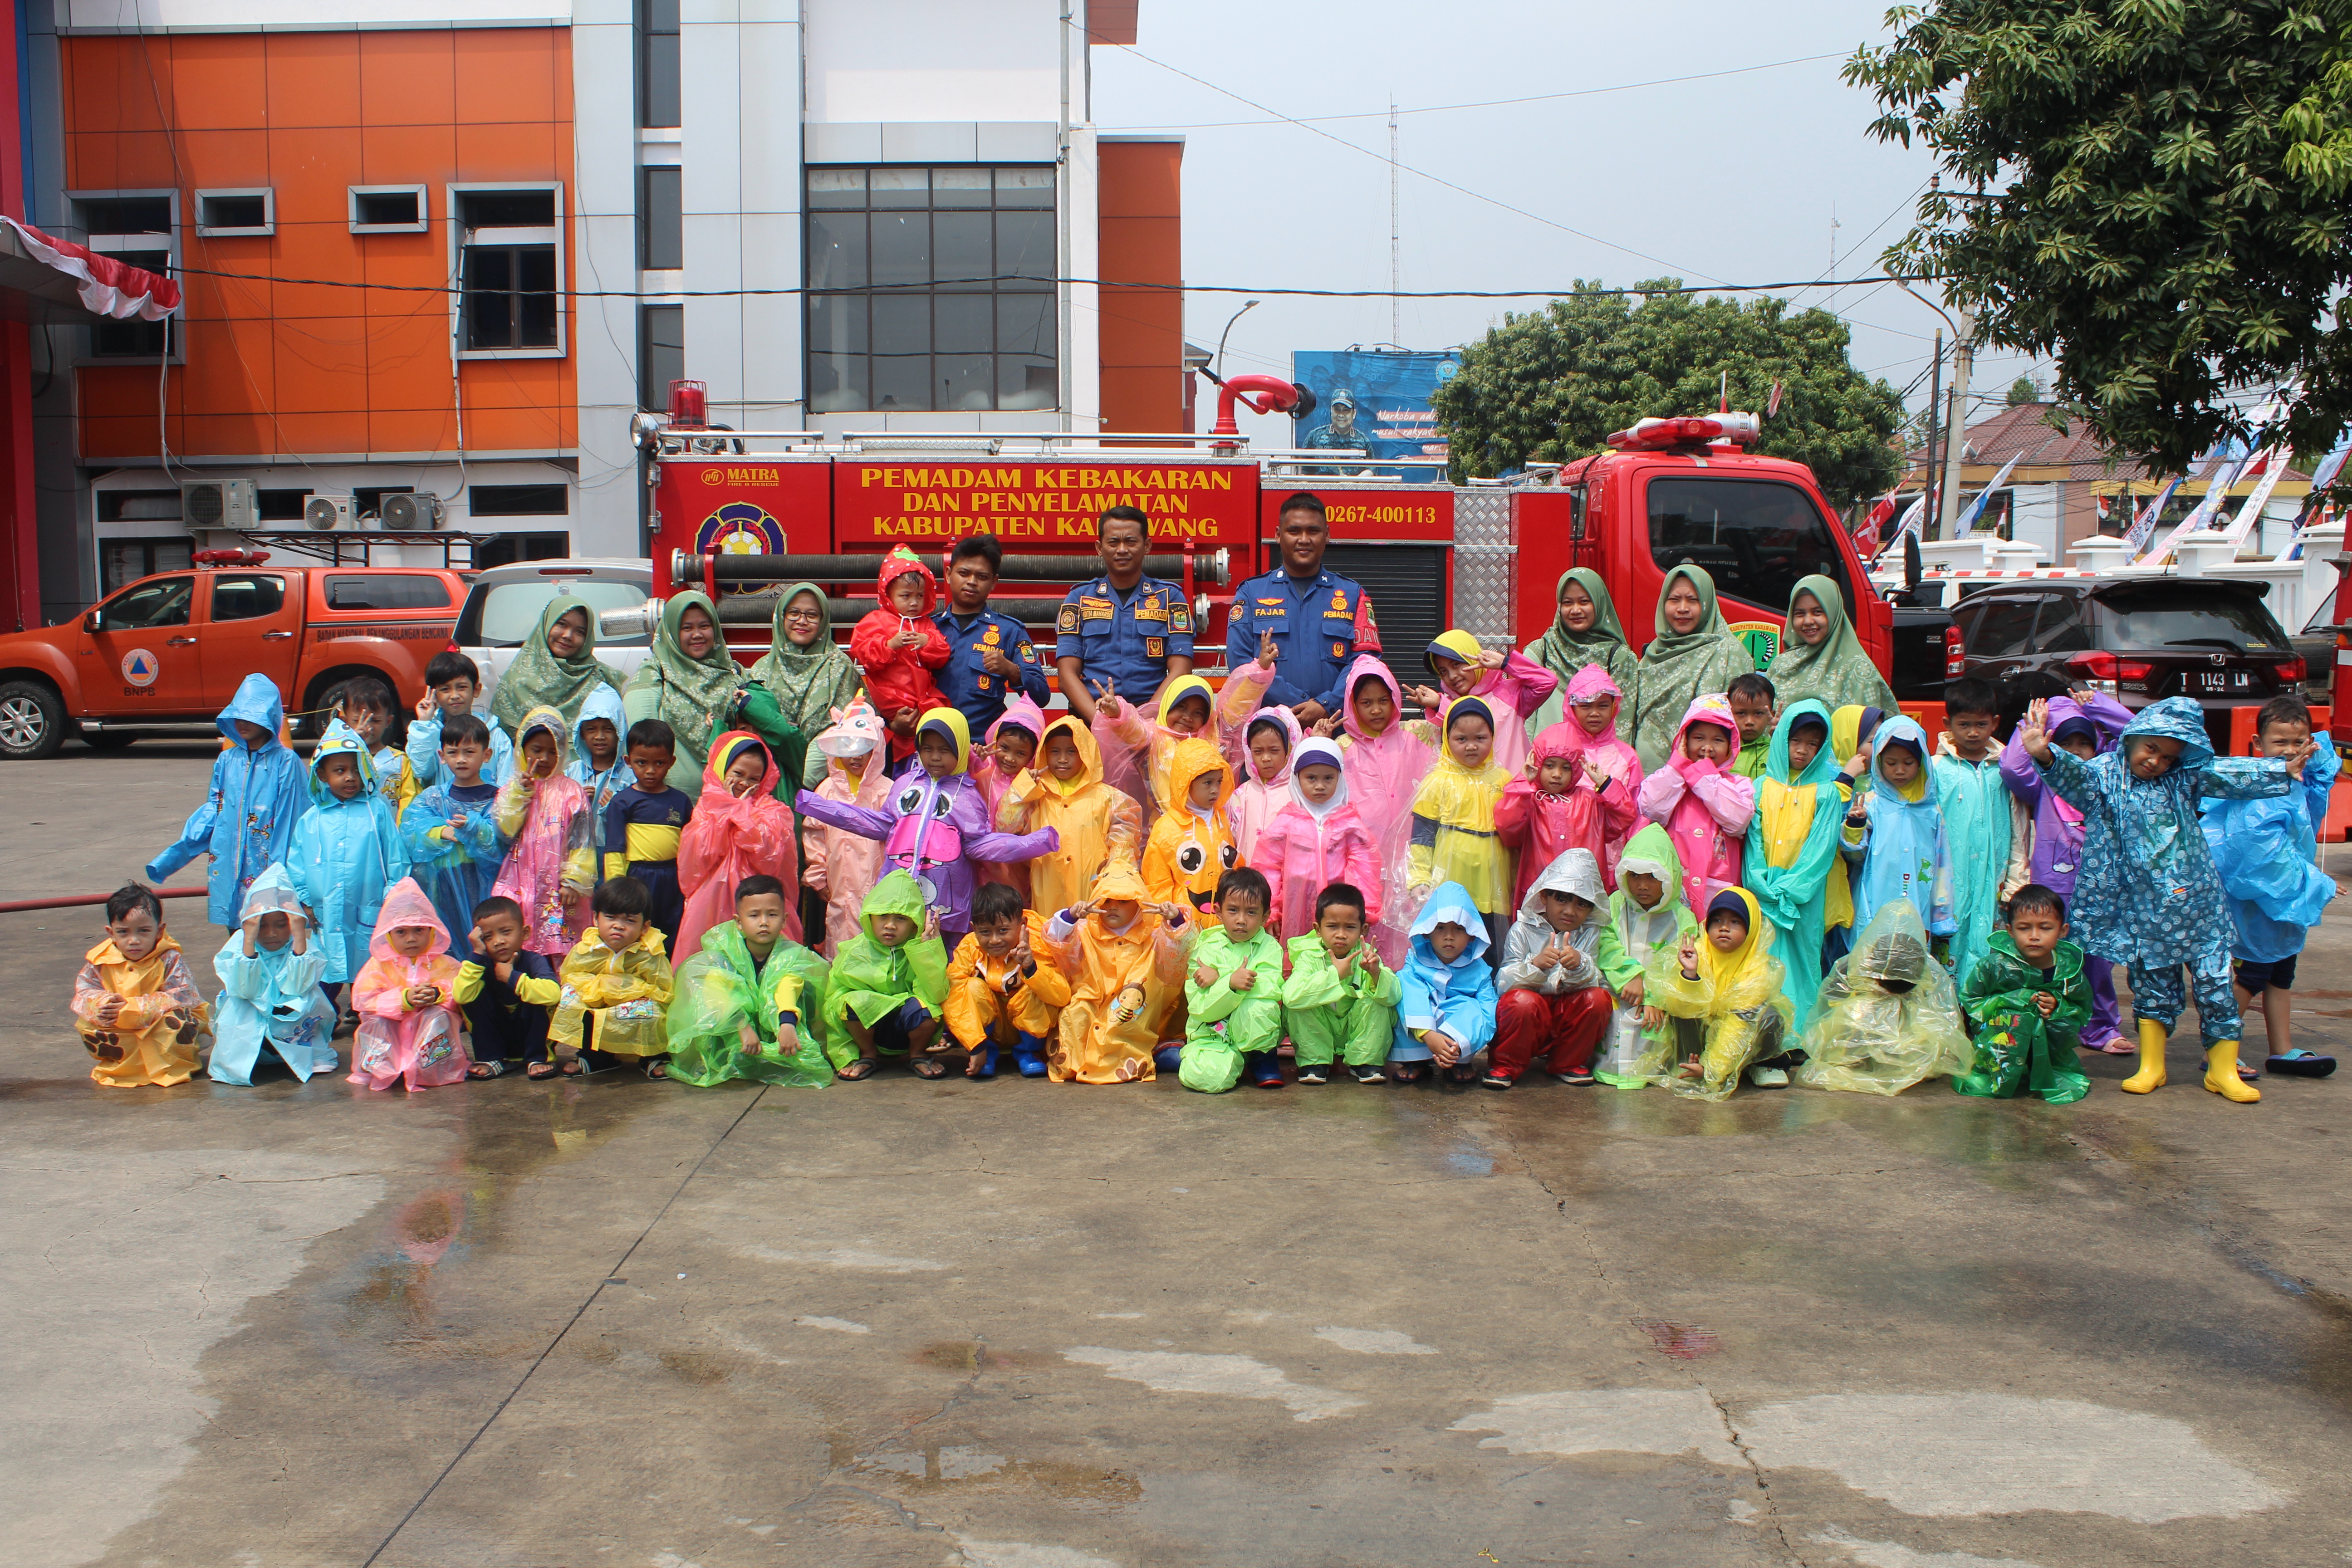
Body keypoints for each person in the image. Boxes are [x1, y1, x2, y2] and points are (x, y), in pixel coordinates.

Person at [2017, 695, 2295, 1103]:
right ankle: (2152, 1065)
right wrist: (2043, 753)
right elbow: (2074, 776)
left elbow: (2228, 773)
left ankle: (2221, 1070)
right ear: (2132, 738)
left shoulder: (2185, 777)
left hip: (2198, 905)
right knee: (2151, 985)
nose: (2156, 762)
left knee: (2216, 984)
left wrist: (2280, 769)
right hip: (2144, 910)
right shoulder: (2104, 776)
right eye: (2151, 749)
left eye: (2168, 757)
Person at [795, 707, 1059, 946]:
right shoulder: (905, 784)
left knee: (941, 963)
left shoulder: (967, 796)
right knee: (895, 958)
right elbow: (882, 824)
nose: (935, 757)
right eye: (928, 749)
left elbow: (980, 845)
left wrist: (1037, 842)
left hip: (946, 904)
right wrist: (817, 806)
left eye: (945, 750)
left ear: (961, 750)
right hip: (899, 897)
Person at [2203, 694, 2342, 1079]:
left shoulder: (2294, 783)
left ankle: (2282, 1050)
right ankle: (2218, 1049)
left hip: (2286, 899)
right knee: (2251, 974)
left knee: (2282, 972)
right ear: (2258, 743)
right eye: (2281, 742)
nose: (2291, 751)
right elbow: (2258, 858)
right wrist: (2313, 883)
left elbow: (2304, 825)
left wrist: (2317, 761)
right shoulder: (2259, 792)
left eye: (2300, 742)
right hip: (2258, 902)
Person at [2000, 690, 2134, 1052]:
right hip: (2054, 887)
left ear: (2098, 745)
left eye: (2083, 743)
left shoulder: (2109, 777)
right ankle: (2047, 1024)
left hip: (2101, 886)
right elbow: (2012, 767)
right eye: (2066, 743)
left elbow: (2138, 736)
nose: (2075, 751)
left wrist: (2097, 705)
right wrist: (2035, 726)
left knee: (2098, 963)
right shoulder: (2043, 782)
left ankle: (2101, 1028)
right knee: (2046, 956)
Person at [145, 672, 312, 930]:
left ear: (269, 716)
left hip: (268, 873)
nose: (242, 722)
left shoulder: (286, 763)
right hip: (229, 867)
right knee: (236, 935)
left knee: (270, 937)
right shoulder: (227, 760)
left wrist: (279, 878)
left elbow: (291, 824)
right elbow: (213, 811)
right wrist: (173, 857)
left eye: (251, 715)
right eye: (238, 715)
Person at [1223, 491, 1381, 730]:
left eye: (1313, 531)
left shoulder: (1352, 594)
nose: (1304, 539)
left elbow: (1366, 661)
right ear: (1278, 535)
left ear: (1327, 535)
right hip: (1271, 731)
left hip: (1337, 729)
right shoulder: (1250, 594)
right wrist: (1297, 704)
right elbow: (1240, 663)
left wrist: (1326, 704)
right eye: (1294, 531)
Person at [666, 874, 838, 1088]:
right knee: (710, 988)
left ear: (785, 920)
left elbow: (788, 987)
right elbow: (716, 994)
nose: (764, 922)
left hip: (780, 1025)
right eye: (754, 915)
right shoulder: (724, 955)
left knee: (803, 987)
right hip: (737, 1028)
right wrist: (741, 1026)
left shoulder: (791, 956)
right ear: (739, 922)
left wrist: (787, 1024)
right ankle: (730, 1056)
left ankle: (784, 1046)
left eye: (772, 914)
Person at [285, 717, 410, 1009]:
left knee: (370, 966)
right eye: (340, 771)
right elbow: (297, 865)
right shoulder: (312, 820)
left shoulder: (376, 812)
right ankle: (322, 1019)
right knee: (326, 969)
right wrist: (304, 900)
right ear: (322, 774)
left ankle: (368, 1014)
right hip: (325, 911)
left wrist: (392, 896)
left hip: (370, 905)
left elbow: (395, 858)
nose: (350, 778)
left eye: (356, 770)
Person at [1795, 898, 1975, 1097]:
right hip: (1884, 1036)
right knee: (1859, 1013)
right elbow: (1946, 1013)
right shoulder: (1857, 970)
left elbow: (1827, 1004)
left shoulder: (1859, 966)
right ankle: (1881, 1060)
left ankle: (1867, 1059)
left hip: (1896, 1036)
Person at [1039, 858, 1192, 1084]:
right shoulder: (1084, 931)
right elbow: (1057, 942)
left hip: (1133, 1011)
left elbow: (1178, 953)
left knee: (1125, 1021)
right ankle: (1076, 1062)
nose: (1112, 907)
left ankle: (1133, 1058)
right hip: (1090, 1003)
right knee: (1076, 1015)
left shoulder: (1153, 937)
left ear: (1139, 903)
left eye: (1123, 901)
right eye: (1107, 899)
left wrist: (1176, 919)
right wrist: (1070, 916)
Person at [1744, 701, 1847, 1023]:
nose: (1802, 750)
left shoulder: (1827, 793)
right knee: (1760, 957)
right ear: (1783, 739)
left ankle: (1798, 1033)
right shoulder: (1761, 787)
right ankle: (1759, 1031)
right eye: (1796, 741)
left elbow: (1821, 850)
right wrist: (1759, 882)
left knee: (1802, 959)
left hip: (1803, 896)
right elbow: (1753, 841)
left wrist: (1791, 889)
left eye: (1813, 744)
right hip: (1764, 890)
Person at [1639, 888, 1791, 1102]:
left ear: (1751, 929)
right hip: (1703, 1034)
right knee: (1680, 1004)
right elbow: (1682, 1008)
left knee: (1769, 1017)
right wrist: (1690, 975)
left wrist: (1712, 1070)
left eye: (1735, 922)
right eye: (1717, 920)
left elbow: (1738, 1025)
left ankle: (1762, 1064)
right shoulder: (1696, 954)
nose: (1724, 928)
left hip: (1738, 1037)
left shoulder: (1759, 969)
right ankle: (1690, 1062)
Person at [1338, 656, 1439, 965]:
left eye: (1384, 700)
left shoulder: (1417, 734)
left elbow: (1462, 729)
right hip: (1364, 860)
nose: (1377, 710)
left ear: (1395, 698)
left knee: (1413, 924)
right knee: (1372, 925)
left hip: (1414, 856)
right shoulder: (1343, 747)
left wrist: (1438, 705)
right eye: (1366, 703)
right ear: (1353, 705)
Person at [1055, 505, 1196, 726]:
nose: (1122, 550)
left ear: (1147, 546)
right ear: (1100, 548)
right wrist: (1102, 724)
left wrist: (1138, 725)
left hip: (1150, 721)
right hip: (1092, 718)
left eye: (1131, 542)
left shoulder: (1170, 598)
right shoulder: (1079, 598)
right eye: (1113, 542)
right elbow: (1066, 676)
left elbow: (1181, 670)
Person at [1489, 848, 1617, 1089]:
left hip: (1565, 1013)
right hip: (1530, 1015)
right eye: (1562, 900)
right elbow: (1504, 983)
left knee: (1599, 999)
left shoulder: (1589, 932)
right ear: (1544, 896)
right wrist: (1535, 966)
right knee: (1521, 1002)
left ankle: (1568, 1062)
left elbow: (1593, 981)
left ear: (1591, 909)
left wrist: (1579, 965)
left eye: (1581, 904)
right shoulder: (1523, 929)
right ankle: (1506, 1064)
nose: (1570, 911)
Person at [1951, 883, 2092, 1103]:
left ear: (2063, 931)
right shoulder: (1994, 966)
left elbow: (2082, 1008)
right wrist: (2009, 1001)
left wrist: (2057, 1005)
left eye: (2045, 928)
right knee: (2015, 1017)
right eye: (2024, 928)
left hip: (2051, 1043)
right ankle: (1998, 1072)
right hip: (2002, 1040)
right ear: (2010, 931)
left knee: (2059, 1022)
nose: (2034, 936)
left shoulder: (2068, 970)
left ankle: (2046, 1069)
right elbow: (1971, 1000)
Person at [997, 713, 1144, 917]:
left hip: (1094, 894)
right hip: (1048, 892)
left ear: (1085, 753)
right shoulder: (1035, 796)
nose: (1063, 759)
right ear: (1044, 754)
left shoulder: (1111, 799)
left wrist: (1111, 877)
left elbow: (1124, 850)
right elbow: (1006, 827)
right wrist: (1022, 788)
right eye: (1055, 751)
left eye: (1071, 752)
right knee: (1052, 933)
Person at [71, 882, 210, 1088]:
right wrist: (104, 1003)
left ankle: (171, 1065)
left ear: (159, 931)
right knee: (88, 1022)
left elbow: (182, 996)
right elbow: (84, 991)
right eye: (123, 932)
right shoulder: (99, 961)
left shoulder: (169, 958)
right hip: (119, 1026)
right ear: (111, 933)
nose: (134, 940)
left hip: (157, 1024)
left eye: (144, 931)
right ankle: (122, 1066)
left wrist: (133, 1009)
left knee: (177, 1020)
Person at [209, 864, 337, 1086]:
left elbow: (298, 987)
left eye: (281, 925)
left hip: (290, 1025)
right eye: (262, 926)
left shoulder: (301, 946)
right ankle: (252, 1055)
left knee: (307, 998)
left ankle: (300, 1053)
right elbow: (246, 990)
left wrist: (299, 934)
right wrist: (249, 940)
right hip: (251, 1022)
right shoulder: (238, 947)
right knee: (243, 1003)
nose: (271, 934)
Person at [1406, 697, 1514, 955]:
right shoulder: (1438, 781)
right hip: (1450, 885)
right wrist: (1419, 878)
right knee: (1450, 948)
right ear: (1447, 739)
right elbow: (1422, 836)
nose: (1472, 746)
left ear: (1493, 737)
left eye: (1480, 738)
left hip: (1494, 887)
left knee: (1491, 950)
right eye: (1462, 739)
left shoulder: (1504, 780)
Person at [676, 731, 797, 961]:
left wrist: (739, 812)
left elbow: (769, 860)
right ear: (723, 769)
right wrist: (727, 807)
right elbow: (697, 858)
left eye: (754, 779)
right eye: (738, 774)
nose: (744, 783)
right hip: (711, 902)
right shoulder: (707, 806)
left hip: (758, 900)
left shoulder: (773, 810)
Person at [1933, 678, 2023, 987]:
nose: (1973, 732)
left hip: (1994, 875)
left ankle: (1981, 1005)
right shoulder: (1936, 768)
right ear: (1948, 724)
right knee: (1949, 938)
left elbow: (2019, 827)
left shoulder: (2006, 769)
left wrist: (2016, 880)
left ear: (1995, 723)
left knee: (1990, 939)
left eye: (1981, 724)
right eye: (1964, 724)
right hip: (1949, 878)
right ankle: (1948, 1005)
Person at [1496, 718, 1638, 911]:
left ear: (1577, 770)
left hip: (1582, 895)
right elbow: (1508, 828)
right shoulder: (1530, 800)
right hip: (1539, 893)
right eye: (1550, 766)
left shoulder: (1590, 802)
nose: (1557, 774)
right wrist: (1522, 784)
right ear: (1537, 764)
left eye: (1566, 768)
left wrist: (1605, 784)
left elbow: (1625, 816)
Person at [491, 706, 598, 961]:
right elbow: (506, 829)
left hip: (559, 888)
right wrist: (520, 793)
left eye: (553, 751)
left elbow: (582, 840)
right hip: (520, 882)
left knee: (562, 947)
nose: (545, 758)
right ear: (522, 750)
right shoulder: (512, 790)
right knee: (521, 945)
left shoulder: (572, 791)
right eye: (537, 750)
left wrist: (574, 880)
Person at [1597, 825, 1699, 1088]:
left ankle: (1646, 1071)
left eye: (1653, 876)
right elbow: (1605, 943)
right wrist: (1629, 976)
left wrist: (1654, 997)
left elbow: (1676, 963)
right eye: (1634, 876)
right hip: (1618, 989)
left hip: (1657, 1000)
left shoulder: (1682, 919)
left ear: (1669, 876)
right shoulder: (1615, 904)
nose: (1642, 886)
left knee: (1652, 1025)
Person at [347, 876, 470, 1092]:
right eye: (401, 932)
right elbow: (363, 998)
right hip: (392, 1033)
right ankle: (380, 1066)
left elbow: (460, 992)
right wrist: (402, 999)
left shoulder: (446, 964)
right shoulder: (379, 964)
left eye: (419, 930)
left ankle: (432, 1066)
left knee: (438, 1015)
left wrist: (437, 995)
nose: (411, 939)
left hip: (427, 1038)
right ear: (388, 934)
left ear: (432, 930)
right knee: (377, 1020)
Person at [825, 870, 951, 1080]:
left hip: (908, 1030)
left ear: (915, 924)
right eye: (883, 916)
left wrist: (926, 950)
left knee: (926, 1008)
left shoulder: (920, 948)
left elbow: (936, 995)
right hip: (869, 1033)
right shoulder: (853, 951)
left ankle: (918, 1055)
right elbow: (832, 1005)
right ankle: (867, 1056)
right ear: (870, 918)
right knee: (850, 1002)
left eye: (901, 918)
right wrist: (844, 1055)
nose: (890, 925)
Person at [1841, 714, 1955, 946]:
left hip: (1917, 896)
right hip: (1876, 897)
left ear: (1922, 763)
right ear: (1879, 762)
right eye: (1891, 763)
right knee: (1873, 954)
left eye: (1909, 763)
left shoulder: (1930, 811)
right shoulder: (1871, 804)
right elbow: (1856, 855)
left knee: (1911, 956)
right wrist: (1855, 825)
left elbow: (1942, 863)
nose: (1900, 770)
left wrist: (1942, 914)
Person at [1637, 694, 1756, 917]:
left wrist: (1705, 777)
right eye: (1699, 738)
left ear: (1731, 746)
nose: (1707, 747)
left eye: (1718, 740)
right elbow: (1650, 808)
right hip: (1674, 883)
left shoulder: (1738, 785)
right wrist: (1677, 767)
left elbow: (1737, 822)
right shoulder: (1671, 779)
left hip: (1718, 886)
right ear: (1684, 740)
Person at [401, 713, 513, 950]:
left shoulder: (500, 799)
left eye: (469, 752)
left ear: (487, 755)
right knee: (449, 947)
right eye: (453, 753)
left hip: (487, 886)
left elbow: (502, 843)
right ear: (442, 756)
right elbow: (410, 831)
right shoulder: (433, 798)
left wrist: (474, 829)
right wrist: (442, 832)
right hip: (443, 886)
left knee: (489, 943)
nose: (461, 760)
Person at [1630, 564, 1755, 772]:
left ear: (1707, 604)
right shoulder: (1655, 653)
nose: (1683, 608)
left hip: (1706, 775)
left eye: (1693, 600)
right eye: (1674, 600)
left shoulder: (1730, 653)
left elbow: (1739, 722)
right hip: (1649, 776)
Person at [1254, 736, 1380, 941]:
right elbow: (1268, 867)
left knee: (1335, 954)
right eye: (1311, 778)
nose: (1320, 786)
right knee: (1297, 952)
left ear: (1340, 777)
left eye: (1328, 778)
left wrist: (1363, 911)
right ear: (1297, 778)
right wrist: (1271, 909)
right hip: (1295, 905)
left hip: (1339, 911)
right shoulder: (1286, 823)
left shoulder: (1350, 825)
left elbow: (1364, 871)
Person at [552, 875, 679, 1078]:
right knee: (571, 999)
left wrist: (632, 988)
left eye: (630, 920)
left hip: (635, 1002)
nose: (619, 926)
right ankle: (595, 1057)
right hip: (596, 998)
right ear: (596, 919)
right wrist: (601, 987)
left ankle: (651, 1056)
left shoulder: (650, 953)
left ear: (645, 927)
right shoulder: (587, 948)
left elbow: (664, 992)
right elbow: (571, 975)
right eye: (611, 917)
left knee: (652, 1011)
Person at [945, 881, 1072, 1079]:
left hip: (1027, 1030)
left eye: (1003, 931)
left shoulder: (1037, 945)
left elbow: (1062, 997)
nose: (994, 940)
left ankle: (1027, 1053)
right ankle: (988, 1054)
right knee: (970, 987)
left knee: (1036, 987)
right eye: (985, 932)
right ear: (974, 929)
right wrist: (976, 1045)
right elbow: (953, 996)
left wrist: (1032, 969)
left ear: (1023, 925)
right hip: (988, 1034)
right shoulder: (969, 948)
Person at [1179, 867, 1289, 1093]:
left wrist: (1221, 979)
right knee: (1205, 1078)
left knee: (1259, 1008)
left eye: (1251, 913)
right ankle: (1188, 1054)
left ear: (1265, 917)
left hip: (1254, 1031)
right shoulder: (1206, 946)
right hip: (1213, 1033)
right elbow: (1199, 1006)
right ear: (1218, 912)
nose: (1241, 920)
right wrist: (1230, 982)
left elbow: (1269, 991)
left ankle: (1261, 1058)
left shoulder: (1270, 947)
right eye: (1233, 910)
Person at [1281, 881, 1401, 1085]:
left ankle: (1366, 1061)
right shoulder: (1308, 957)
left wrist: (1376, 974)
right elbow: (1291, 997)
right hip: (1320, 1030)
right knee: (1298, 1004)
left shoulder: (1368, 958)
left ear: (1363, 929)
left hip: (1353, 1031)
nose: (1341, 935)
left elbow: (1394, 997)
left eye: (1350, 927)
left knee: (1378, 1002)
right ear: (1318, 929)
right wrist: (1334, 975)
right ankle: (1314, 1062)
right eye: (1333, 926)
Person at [748, 582, 863, 789]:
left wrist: (800, 785)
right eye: (794, 613)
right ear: (781, 617)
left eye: (812, 615)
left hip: (822, 784)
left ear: (824, 620)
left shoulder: (839, 667)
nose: (802, 621)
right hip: (764, 779)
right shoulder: (762, 669)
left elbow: (843, 728)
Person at [932, 534, 1050, 735]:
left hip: (984, 747)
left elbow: (1042, 696)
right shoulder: (928, 629)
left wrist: (1012, 671)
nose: (972, 582)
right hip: (933, 745)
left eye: (982, 577)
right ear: (949, 574)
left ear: (994, 582)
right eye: (964, 573)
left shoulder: (1010, 631)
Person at [623, 592, 740, 794]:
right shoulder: (654, 674)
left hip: (727, 798)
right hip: (669, 800)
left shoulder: (733, 673)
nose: (697, 634)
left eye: (705, 626)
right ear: (671, 631)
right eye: (687, 628)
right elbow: (641, 741)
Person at [803, 703, 893, 957]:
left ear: (876, 749)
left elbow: (896, 840)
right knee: (840, 932)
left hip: (877, 884)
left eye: (864, 748)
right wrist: (818, 876)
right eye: (848, 747)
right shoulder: (827, 790)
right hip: (838, 884)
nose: (856, 756)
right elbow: (814, 834)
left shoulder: (886, 790)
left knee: (876, 936)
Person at [602, 718, 696, 955]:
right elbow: (615, 849)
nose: (651, 770)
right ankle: (635, 973)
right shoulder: (622, 802)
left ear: (672, 762)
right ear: (628, 761)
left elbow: (690, 846)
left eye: (659, 763)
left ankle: (667, 973)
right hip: (637, 876)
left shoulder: (681, 801)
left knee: (672, 928)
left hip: (672, 877)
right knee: (637, 929)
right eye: (642, 763)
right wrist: (617, 887)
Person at [1408, 630, 1559, 774]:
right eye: (1443, 672)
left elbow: (1547, 682)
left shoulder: (1511, 694)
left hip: (1513, 789)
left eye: (1456, 665)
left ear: (1473, 658)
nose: (1452, 676)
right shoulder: (1450, 705)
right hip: (1472, 791)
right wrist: (1438, 705)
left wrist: (1506, 663)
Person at [1394, 881, 1499, 1084]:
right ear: (1427, 931)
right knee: (1402, 988)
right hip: (1422, 1033)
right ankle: (1416, 1061)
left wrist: (1458, 1043)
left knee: (1474, 1006)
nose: (1449, 937)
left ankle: (1458, 1059)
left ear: (1472, 935)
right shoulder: (1415, 962)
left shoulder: (1480, 970)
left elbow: (1488, 1011)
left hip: (1458, 1039)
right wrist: (1427, 1034)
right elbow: (1410, 995)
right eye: (1440, 928)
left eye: (1459, 929)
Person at [851, 545, 954, 752]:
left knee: (937, 730)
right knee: (895, 744)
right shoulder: (874, 621)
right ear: (888, 595)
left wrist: (927, 642)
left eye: (920, 596)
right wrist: (889, 646)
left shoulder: (925, 624)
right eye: (906, 596)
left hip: (923, 698)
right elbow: (863, 652)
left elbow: (943, 654)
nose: (914, 603)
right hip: (891, 700)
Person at [1098, 671, 1233, 828]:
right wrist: (1118, 714)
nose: (1187, 717)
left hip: (1208, 828)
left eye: (1198, 713)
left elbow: (1238, 708)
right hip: (1165, 830)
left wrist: (1255, 675)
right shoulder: (1152, 739)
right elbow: (1132, 731)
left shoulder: (1211, 740)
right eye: (1181, 707)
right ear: (1168, 705)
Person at [1522, 568, 1641, 736]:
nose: (1576, 610)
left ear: (1599, 604)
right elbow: (1525, 717)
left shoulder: (1619, 657)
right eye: (1568, 603)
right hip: (1546, 752)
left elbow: (1623, 725)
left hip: (1597, 753)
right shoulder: (1541, 651)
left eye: (1584, 602)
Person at [488, 593, 625, 738]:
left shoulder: (601, 680)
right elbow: (500, 742)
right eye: (562, 624)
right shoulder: (515, 681)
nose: (568, 635)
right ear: (546, 625)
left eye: (580, 632)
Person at [456, 894, 563, 1080]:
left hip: (532, 1036)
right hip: (497, 1037)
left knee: (539, 994)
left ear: (525, 933)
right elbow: (461, 996)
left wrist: (513, 978)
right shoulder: (479, 965)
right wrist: (477, 954)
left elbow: (554, 995)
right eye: (488, 937)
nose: (498, 941)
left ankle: (538, 1058)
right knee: (471, 994)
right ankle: (491, 1059)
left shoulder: (534, 961)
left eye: (506, 932)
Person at [1766, 575, 1897, 716]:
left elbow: (1867, 725)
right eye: (1800, 614)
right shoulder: (1781, 664)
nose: (1808, 621)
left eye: (1818, 612)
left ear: (1834, 613)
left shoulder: (1858, 669)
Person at [1142, 737, 1240, 916]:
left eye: (1219, 782)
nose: (1215, 790)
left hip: (1225, 923)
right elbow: (1157, 885)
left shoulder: (1221, 820)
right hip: (1184, 922)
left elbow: (1234, 867)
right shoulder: (1166, 828)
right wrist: (1165, 925)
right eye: (1208, 783)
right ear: (1186, 783)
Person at [970, 696, 1047, 899]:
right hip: (977, 860)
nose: (1010, 758)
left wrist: (1026, 787)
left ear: (1033, 756)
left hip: (1012, 866)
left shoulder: (1034, 784)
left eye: (1020, 753)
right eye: (1004, 748)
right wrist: (972, 761)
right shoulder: (982, 770)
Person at [407, 650, 516, 789]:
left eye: (462, 687)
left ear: (476, 690)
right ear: (434, 694)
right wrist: (424, 724)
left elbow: (508, 783)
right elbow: (421, 771)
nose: (455, 696)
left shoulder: (495, 736)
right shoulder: (429, 733)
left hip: (490, 804)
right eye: (445, 689)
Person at [1226, 706, 1302, 865]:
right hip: (1248, 875)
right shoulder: (1241, 795)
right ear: (1249, 752)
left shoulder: (1298, 793)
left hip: (1286, 873)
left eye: (1274, 751)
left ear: (1288, 751)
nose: (1266, 758)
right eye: (1258, 751)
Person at [334, 678, 418, 820]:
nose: (368, 727)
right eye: (358, 720)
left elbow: (408, 803)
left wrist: (399, 830)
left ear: (388, 721)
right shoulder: (337, 757)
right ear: (344, 720)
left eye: (376, 720)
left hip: (389, 832)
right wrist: (355, 744)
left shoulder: (400, 762)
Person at [571, 684, 632, 874]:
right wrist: (574, 803)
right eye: (591, 729)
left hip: (617, 857)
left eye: (608, 729)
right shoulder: (571, 773)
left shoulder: (631, 777)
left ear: (620, 732)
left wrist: (617, 809)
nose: (599, 737)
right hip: (575, 858)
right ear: (581, 733)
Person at [1725, 672, 1777, 780]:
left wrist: (1780, 738)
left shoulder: (1775, 749)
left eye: (1758, 713)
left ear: (1771, 716)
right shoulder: (1721, 748)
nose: (1750, 722)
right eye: (1741, 713)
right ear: (1729, 713)